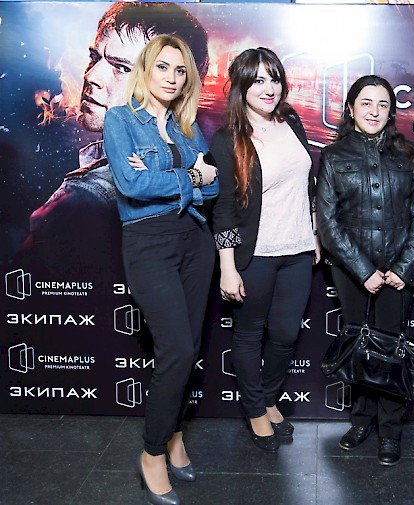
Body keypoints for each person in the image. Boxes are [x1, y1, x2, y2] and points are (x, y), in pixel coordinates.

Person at [103, 34, 218, 505]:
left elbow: (214, 189)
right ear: (146, 69)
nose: (172, 78)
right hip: (149, 243)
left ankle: (174, 437)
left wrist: (168, 180)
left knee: (188, 352)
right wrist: (190, 175)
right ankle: (152, 452)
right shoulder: (120, 120)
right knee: (176, 350)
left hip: (195, 240)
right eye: (163, 67)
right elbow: (132, 185)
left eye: (180, 70)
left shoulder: (187, 127)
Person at [18, 1, 209, 279]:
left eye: (122, 68)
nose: (91, 75)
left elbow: (26, 288)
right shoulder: (193, 161)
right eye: (94, 57)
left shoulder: (85, 199)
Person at [316, 75, 414, 466]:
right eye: (366, 103)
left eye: (383, 104)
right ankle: (361, 421)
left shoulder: (409, 155)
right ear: (351, 109)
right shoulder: (333, 156)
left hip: (399, 272)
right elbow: (328, 223)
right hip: (351, 271)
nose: (374, 111)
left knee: (390, 350)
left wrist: (404, 267)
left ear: (390, 111)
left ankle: (391, 431)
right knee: (360, 347)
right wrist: (363, 270)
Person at [209, 47, 320, 453]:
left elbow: (306, 183)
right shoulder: (227, 139)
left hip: (299, 250)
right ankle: (256, 410)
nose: (269, 88)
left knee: (286, 334)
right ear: (241, 86)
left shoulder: (291, 121)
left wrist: (314, 232)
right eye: (258, 80)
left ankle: (269, 399)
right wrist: (227, 266)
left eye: (274, 79)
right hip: (254, 255)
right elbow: (223, 208)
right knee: (249, 335)